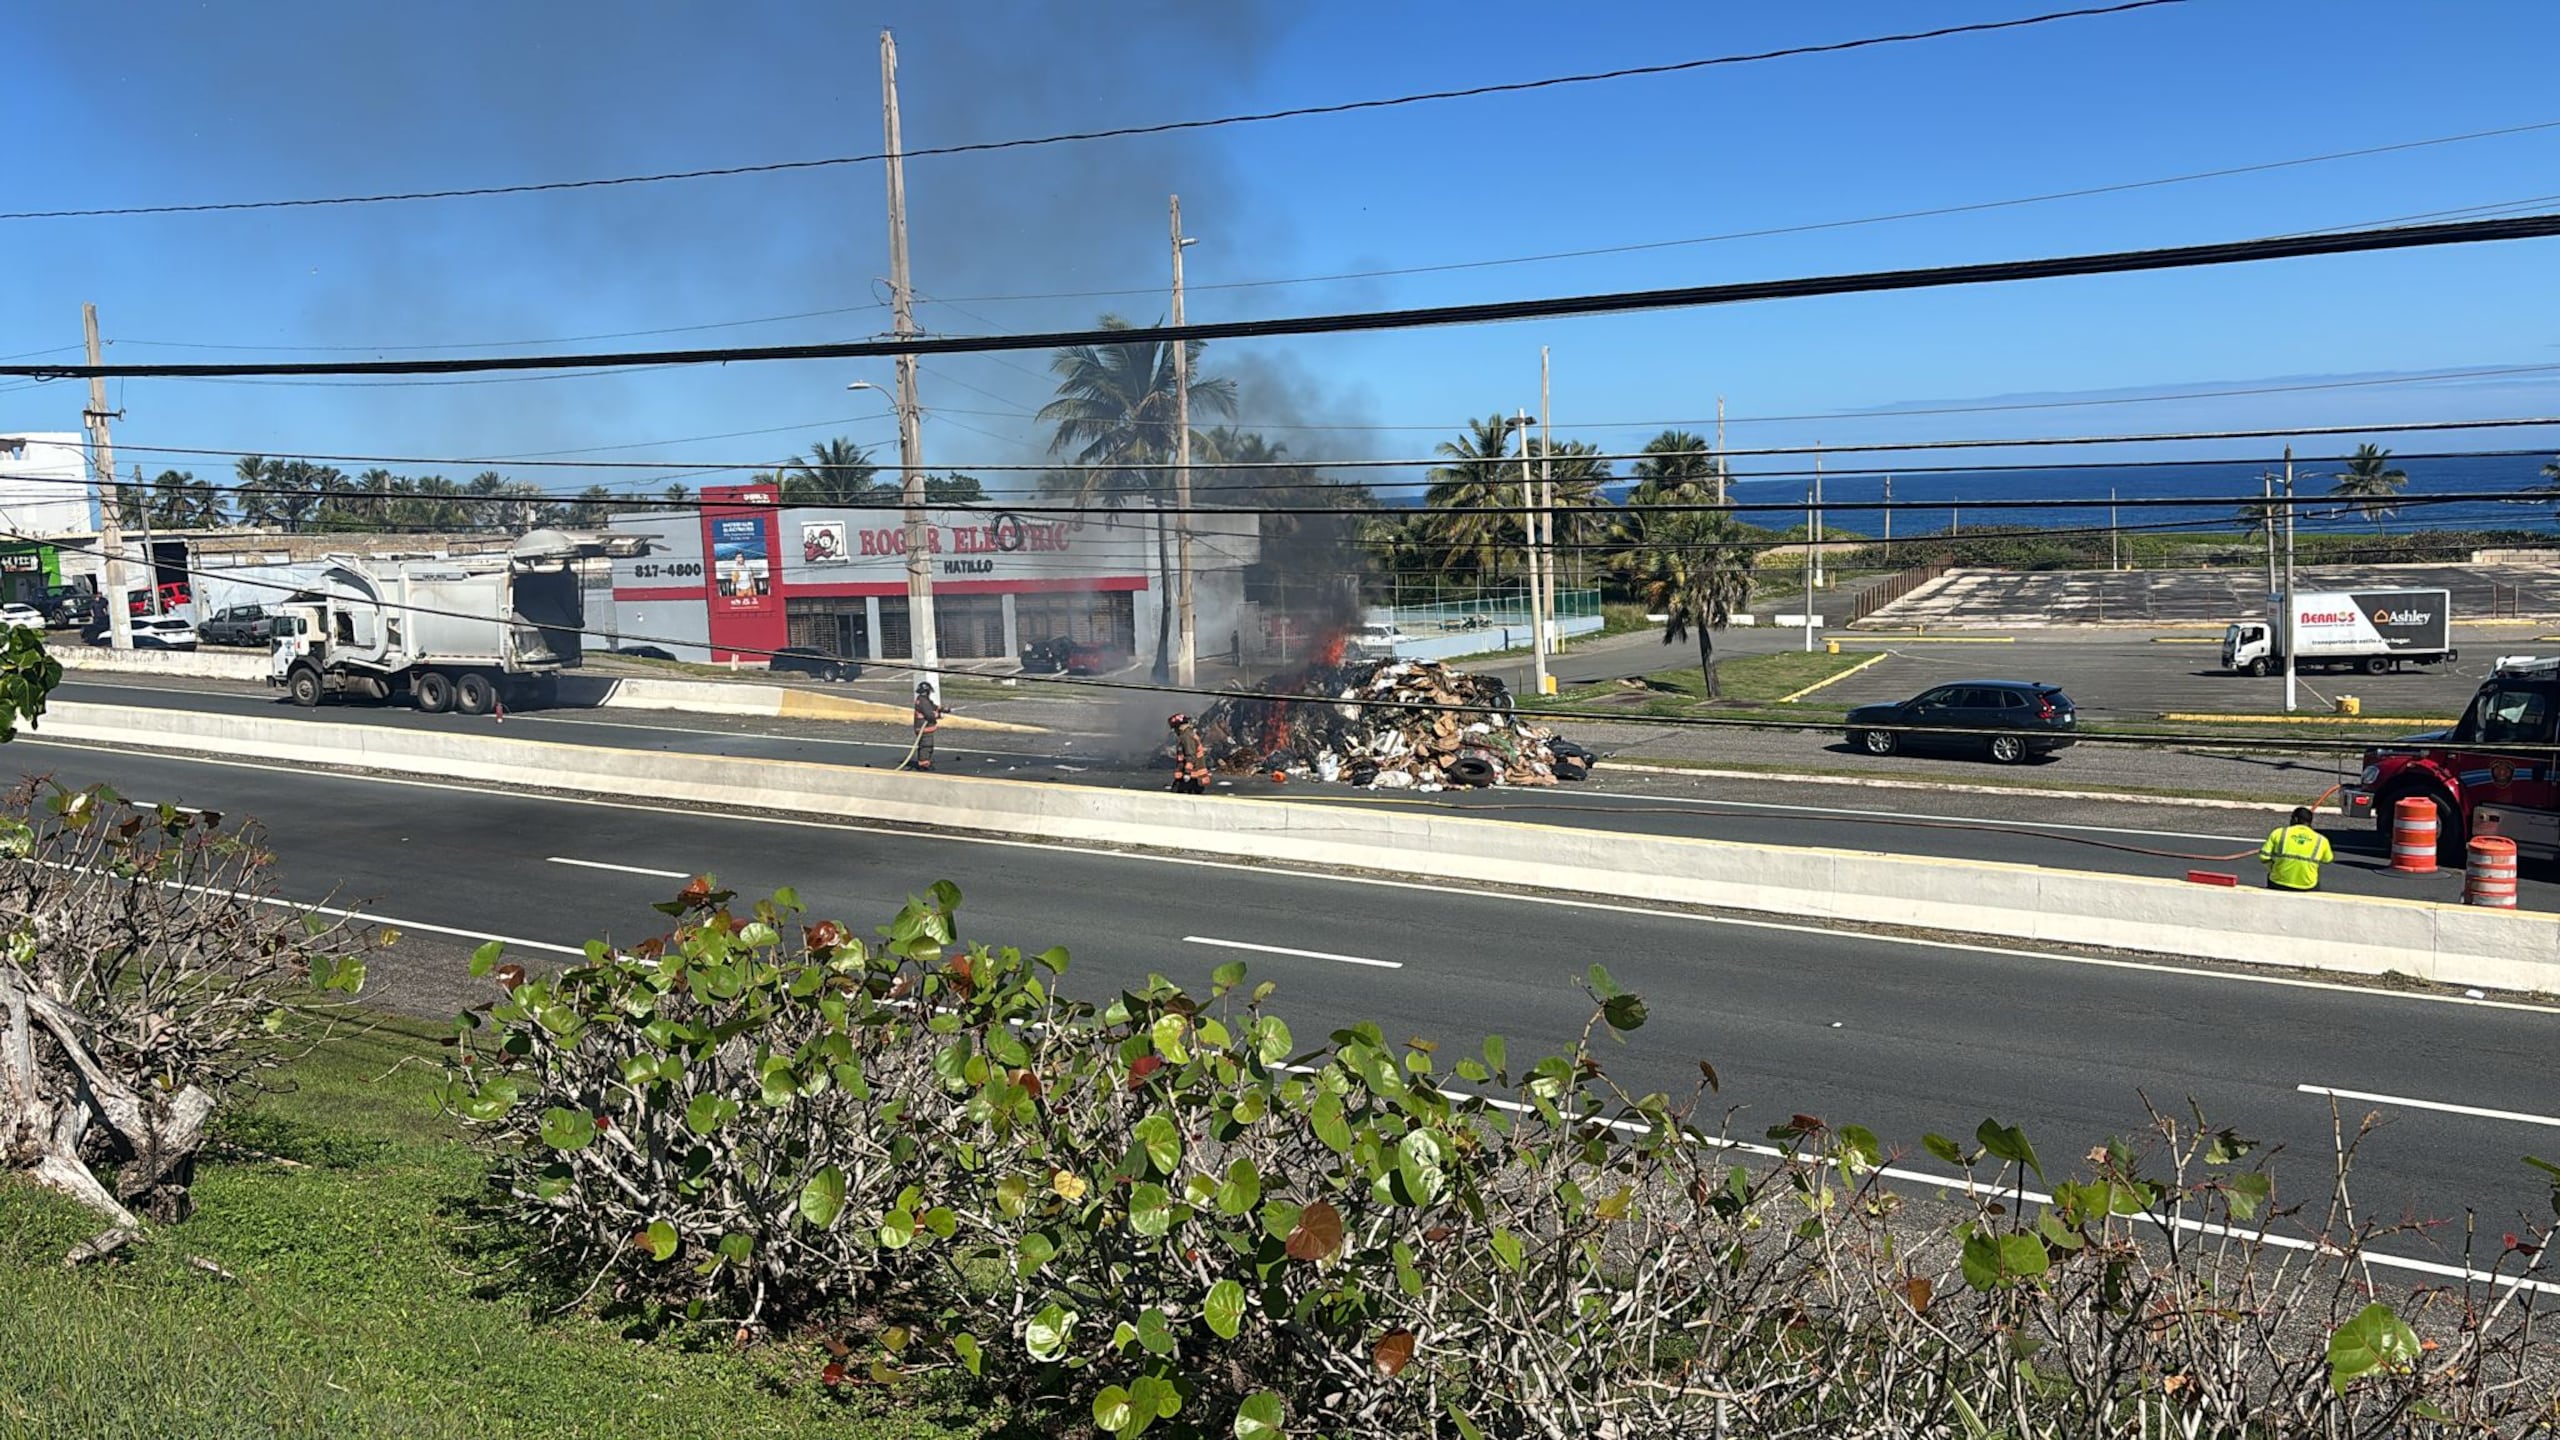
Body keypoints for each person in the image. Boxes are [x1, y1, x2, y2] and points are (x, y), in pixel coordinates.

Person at [2259, 806, 2333, 892]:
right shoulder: (2321, 840)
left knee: (2271, 876)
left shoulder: (2279, 833)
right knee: (2315, 882)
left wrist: (2274, 868)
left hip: (2279, 882)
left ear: (2295, 819)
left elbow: (2264, 857)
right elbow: (2328, 859)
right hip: (2307, 885)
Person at [1168, 712, 1210, 795]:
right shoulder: (1189, 734)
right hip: (1193, 777)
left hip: (1192, 778)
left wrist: (1187, 772)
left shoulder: (1186, 737)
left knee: (1176, 797)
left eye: (1174, 728)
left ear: (1178, 726)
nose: (1175, 731)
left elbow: (1190, 756)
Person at [907, 682, 941, 771]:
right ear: (926, 691)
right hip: (924, 728)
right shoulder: (924, 702)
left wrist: (942, 709)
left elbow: (932, 706)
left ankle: (924, 761)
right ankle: (923, 764)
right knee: (926, 745)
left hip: (921, 727)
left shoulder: (921, 699)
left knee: (924, 745)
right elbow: (929, 715)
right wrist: (938, 716)